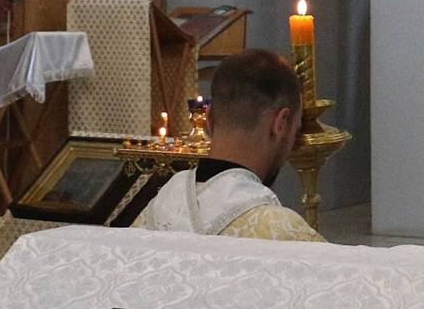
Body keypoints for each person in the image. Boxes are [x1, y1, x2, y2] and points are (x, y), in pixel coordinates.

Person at [136, 49, 322, 240]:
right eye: (295, 130)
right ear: (280, 124)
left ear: (208, 120)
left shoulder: (150, 215)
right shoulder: (285, 232)